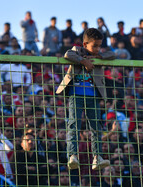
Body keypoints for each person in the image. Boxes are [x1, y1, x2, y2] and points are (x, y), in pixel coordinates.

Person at [56, 28, 115, 170]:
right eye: (94, 45)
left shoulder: (99, 55)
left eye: (99, 45)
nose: (97, 48)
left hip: (93, 96)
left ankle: (97, 157)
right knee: (74, 124)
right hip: (76, 95)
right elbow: (67, 54)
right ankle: (72, 155)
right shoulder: (77, 51)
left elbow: (112, 54)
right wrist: (83, 61)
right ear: (85, 44)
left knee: (96, 127)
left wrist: (100, 56)